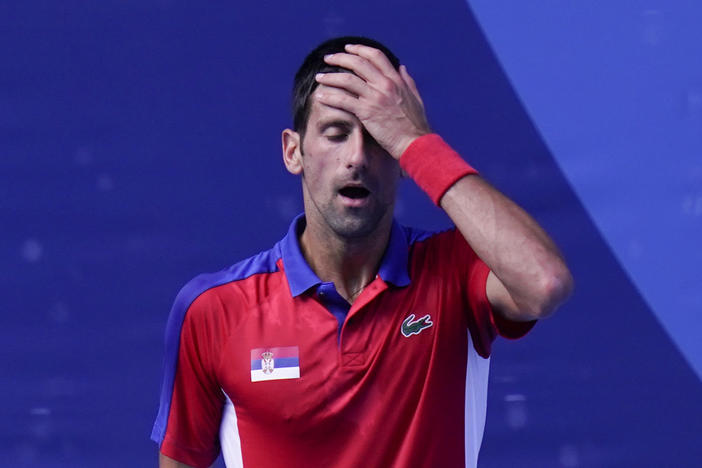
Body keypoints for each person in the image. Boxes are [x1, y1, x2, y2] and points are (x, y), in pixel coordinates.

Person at [151, 36, 573, 468]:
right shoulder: (213, 310)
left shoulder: (456, 271)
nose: (357, 157)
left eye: (378, 138)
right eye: (336, 134)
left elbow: (545, 282)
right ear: (292, 151)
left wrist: (417, 141)